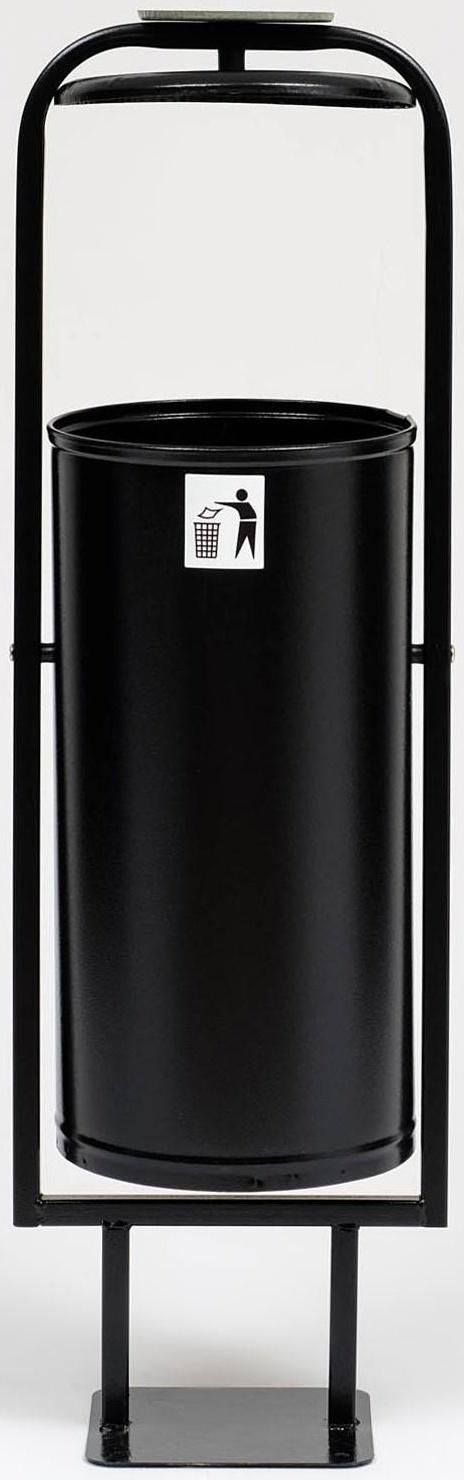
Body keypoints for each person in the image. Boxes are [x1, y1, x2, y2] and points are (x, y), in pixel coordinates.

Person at [215, 489, 257, 559]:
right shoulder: (247, 505)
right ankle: (239, 556)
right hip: (248, 522)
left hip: (247, 522)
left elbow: (232, 504)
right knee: (244, 541)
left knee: (245, 540)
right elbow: (232, 504)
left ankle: (243, 556)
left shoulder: (244, 505)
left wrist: (218, 502)